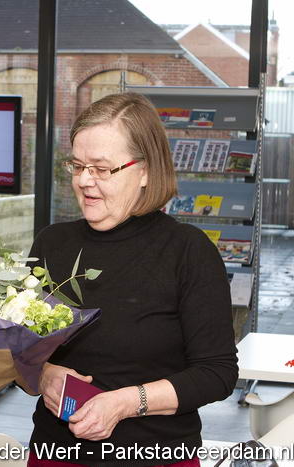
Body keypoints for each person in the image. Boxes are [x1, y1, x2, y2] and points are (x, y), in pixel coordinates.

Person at [28, 93, 238, 467]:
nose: (84, 181)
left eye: (101, 168)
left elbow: (216, 373)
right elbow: (16, 349)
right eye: (77, 166)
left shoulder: (188, 251)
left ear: (144, 171)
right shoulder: (51, 244)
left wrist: (125, 403)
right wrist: (42, 375)